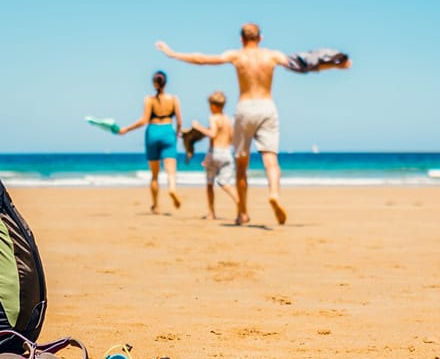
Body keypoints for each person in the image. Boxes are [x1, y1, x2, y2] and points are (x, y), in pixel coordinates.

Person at [156, 23, 351, 225]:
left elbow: (203, 59)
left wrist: (173, 54)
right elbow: (305, 65)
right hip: (267, 107)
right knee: (271, 160)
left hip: (245, 108)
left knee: (242, 166)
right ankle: (274, 193)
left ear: (241, 39)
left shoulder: (237, 56)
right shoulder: (272, 56)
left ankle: (243, 213)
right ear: (261, 38)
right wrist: (335, 65)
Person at [118, 70, 183, 213]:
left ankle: (156, 206)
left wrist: (126, 129)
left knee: (154, 174)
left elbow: (143, 121)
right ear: (165, 83)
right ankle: (172, 189)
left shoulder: (149, 99)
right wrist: (177, 132)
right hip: (168, 131)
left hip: (152, 132)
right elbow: (179, 121)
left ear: (154, 83)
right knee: (171, 171)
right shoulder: (173, 99)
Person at [190, 91, 238, 220]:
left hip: (214, 152)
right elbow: (233, 139)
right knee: (225, 182)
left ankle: (211, 213)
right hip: (227, 152)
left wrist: (198, 127)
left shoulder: (214, 118)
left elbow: (212, 134)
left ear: (213, 106)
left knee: (210, 183)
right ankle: (240, 203)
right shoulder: (228, 119)